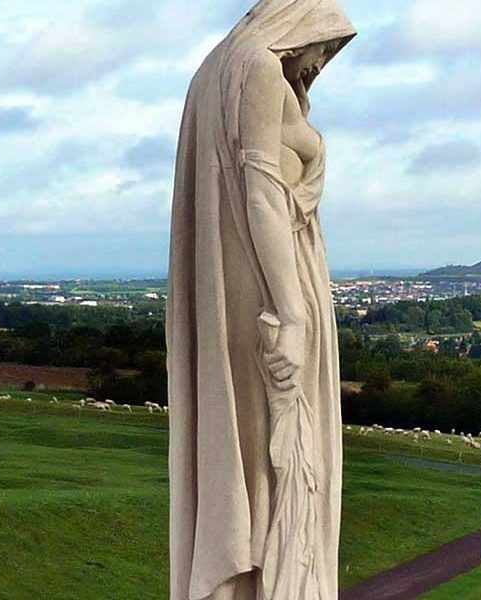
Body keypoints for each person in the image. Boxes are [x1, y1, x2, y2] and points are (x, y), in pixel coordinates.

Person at [166, 2, 355, 599]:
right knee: (280, 454)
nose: (322, 59)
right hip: (273, 290)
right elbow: (261, 195)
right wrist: (292, 315)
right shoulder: (257, 68)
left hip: (241, 289)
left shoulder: (214, 70)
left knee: (255, 453)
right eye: (326, 42)